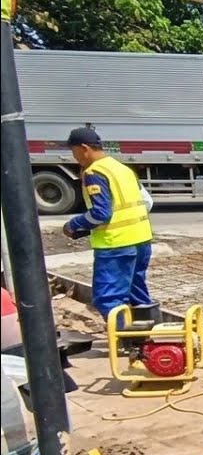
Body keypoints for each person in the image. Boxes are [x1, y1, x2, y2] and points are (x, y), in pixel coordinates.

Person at [60, 127, 156, 322]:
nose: (74, 156)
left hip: (116, 246)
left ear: (84, 148)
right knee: (138, 296)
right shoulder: (122, 168)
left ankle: (123, 343)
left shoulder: (94, 172)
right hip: (141, 241)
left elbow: (101, 213)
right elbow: (146, 202)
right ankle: (149, 339)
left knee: (108, 300)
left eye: (74, 151)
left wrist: (73, 225)